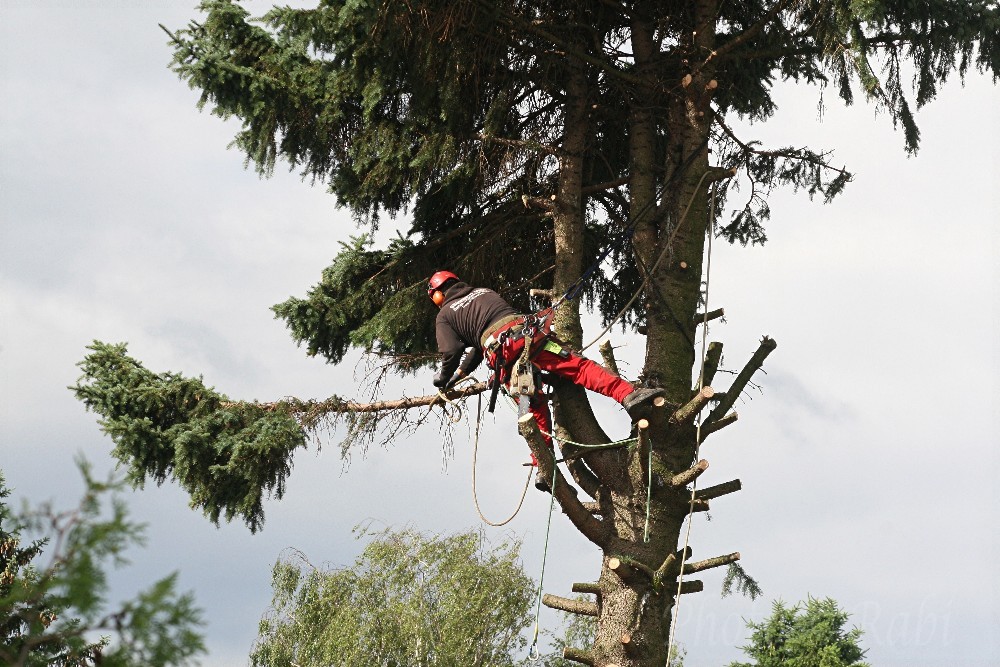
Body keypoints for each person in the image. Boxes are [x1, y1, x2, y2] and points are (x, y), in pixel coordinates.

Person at [428, 271, 660, 488]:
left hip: (504, 353)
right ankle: (629, 395)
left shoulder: (445, 314)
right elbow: (478, 346)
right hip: (528, 336)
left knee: (532, 403)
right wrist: (459, 375)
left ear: (438, 294)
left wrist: (443, 377)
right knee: (578, 367)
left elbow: (451, 351)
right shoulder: (484, 292)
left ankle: (543, 466)